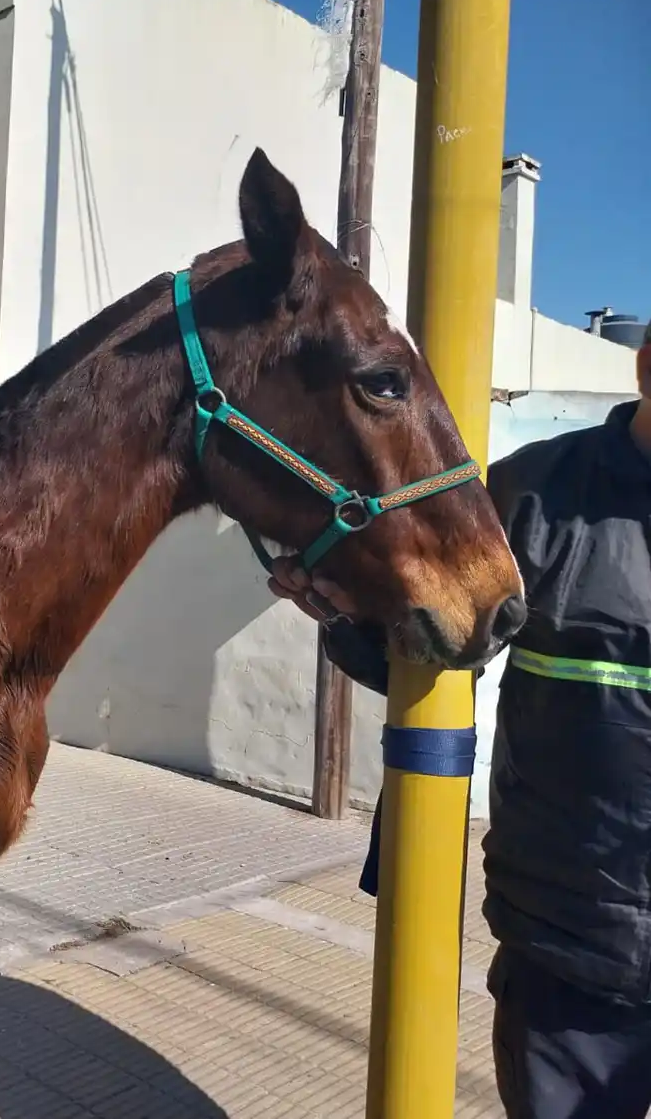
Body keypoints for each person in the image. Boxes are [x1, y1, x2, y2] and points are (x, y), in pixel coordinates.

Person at [268, 318, 651, 1119]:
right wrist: (341, 608)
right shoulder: (540, 497)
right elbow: (423, 651)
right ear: (648, 367)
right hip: (572, 956)